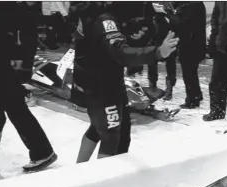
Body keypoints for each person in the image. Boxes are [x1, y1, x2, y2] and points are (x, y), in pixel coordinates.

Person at [72, 2, 178, 163]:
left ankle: (79, 171)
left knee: (100, 128)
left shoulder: (94, 11)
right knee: (111, 135)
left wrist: (132, 35)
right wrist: (157, 52)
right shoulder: (104, 19)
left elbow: (103, 46)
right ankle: (101, 184)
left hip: (102, 81)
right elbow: (120, 52)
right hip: (101, 86)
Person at [0, 2, 58, 181]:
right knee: (9, 110)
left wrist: (23, 64)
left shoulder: (4, 8)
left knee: (1, 115)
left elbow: (21, 29)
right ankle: (39, 152)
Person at [160, 1, 206, 109]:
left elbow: (181, 24)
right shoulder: (194, 4)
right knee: (191, 72)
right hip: (193, 43)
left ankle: (192, 100)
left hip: (190, 44)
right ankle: (197, 95)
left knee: (188, 73)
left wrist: (168, 14)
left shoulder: (192, 5)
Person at [148, 2, 177, 101]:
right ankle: (152, 86)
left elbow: (176, 19)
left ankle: (169, 90)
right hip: (154, 37)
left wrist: (167, 12)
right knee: (152, 62)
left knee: (170, 65)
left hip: (168, 35)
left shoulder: (169, 4)